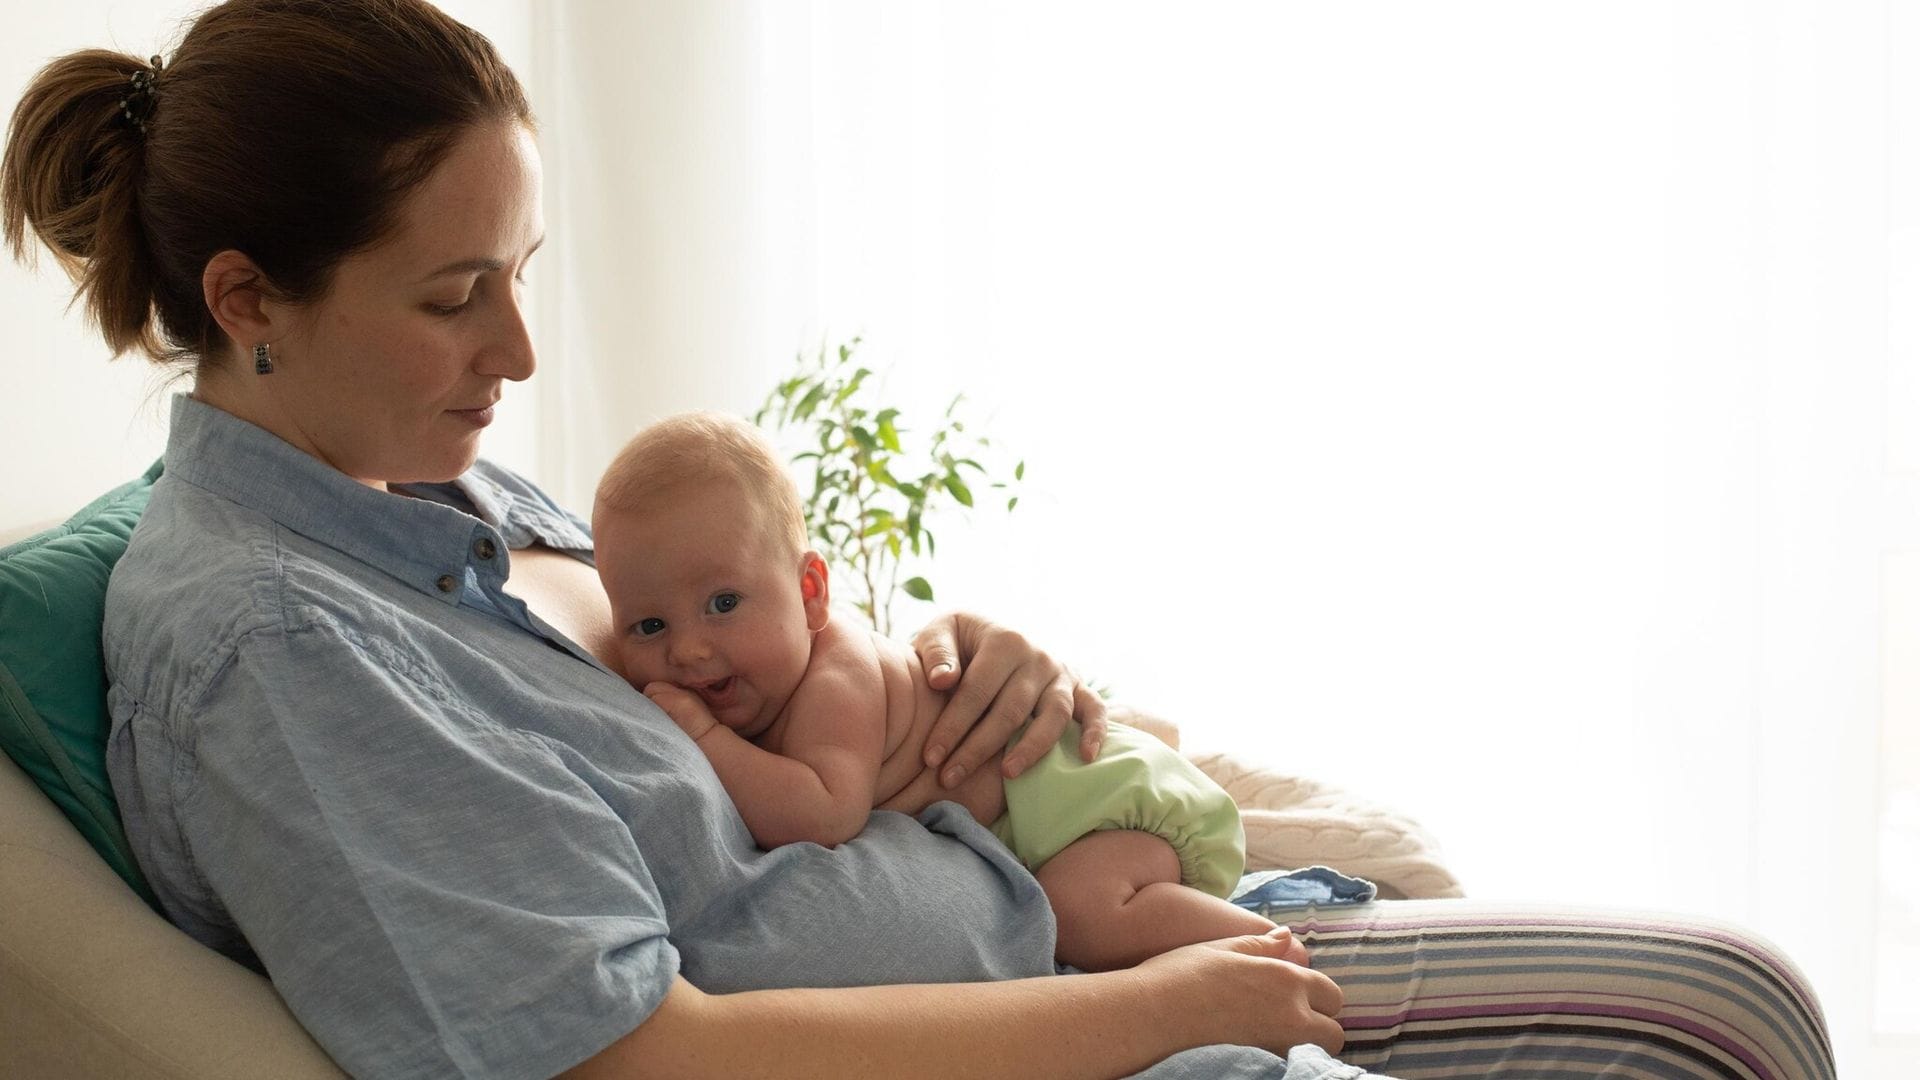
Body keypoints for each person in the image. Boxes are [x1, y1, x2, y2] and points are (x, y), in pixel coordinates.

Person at [0, 1, 1834, 1078]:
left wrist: (944, 672)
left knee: (1731, 995)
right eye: (460, 293)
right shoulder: (273, 652)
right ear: (251, 300)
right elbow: (642, 1062)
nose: (524, 351)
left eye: (527, 277)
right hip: (1059, 1025)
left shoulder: (445, 501)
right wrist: (1149, 1013)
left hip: (1065, 934)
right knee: (1716, 1038)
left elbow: (782, 690)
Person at [594, 411, 1273, 973]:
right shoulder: (764, 683)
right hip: (1062, 810)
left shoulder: (838, 678)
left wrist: (705, 737)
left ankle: (1269, 949)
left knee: (1078, 915)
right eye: (649, 625)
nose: (686, 649)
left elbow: (823, 815)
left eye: (721, 602)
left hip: (1087, 810)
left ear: (810, 594)